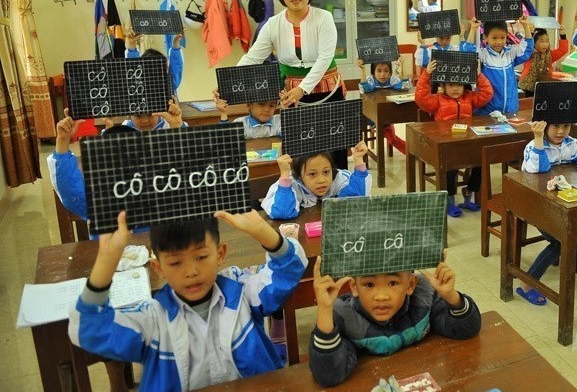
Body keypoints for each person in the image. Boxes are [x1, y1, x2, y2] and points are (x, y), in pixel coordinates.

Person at [68, 210, 307, 390]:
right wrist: (106, 261)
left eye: (201, 257)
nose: (191, 271)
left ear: (220, 254)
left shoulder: (242, 291)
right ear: (158, 268)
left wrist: (263, 231)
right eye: (175, 262)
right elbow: (88, 328)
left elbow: (290, 268)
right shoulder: (153, 320)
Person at [307, 254, 481, 387]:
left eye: (392, 283)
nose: (381, 296)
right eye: (369, 285)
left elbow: (467, 329)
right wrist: (325, 310)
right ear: (354, 287)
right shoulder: (344, 317)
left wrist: (451, 296)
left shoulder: (423, 298)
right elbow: (328, 375)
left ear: (411, 285)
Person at [237, 0, 346, 169]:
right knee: (299, 152)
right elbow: (253, 57)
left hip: (327, 92)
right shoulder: (273, 24)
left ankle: (338, 187)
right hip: (291, 97)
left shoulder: (324, 18)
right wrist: (227, 83)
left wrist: (302, 89)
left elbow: (325, 58)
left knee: (334, 148)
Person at [516, 119, 577, 305]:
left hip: (560, 204)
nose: (561, 131)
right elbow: (537, 169)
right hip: (533, 204)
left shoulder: (572, 144)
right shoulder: (533, 146)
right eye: (556, 126)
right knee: (561, 241)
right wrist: (538, 137)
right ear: (546, 126)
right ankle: (527, 283)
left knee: (571, 232)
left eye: (566, 126)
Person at [415, 59, 493, 217]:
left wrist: (478, 75)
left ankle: (468, 194)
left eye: (459, 84)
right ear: (443, 86)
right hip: (447, 145)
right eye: (451, 85)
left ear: (465, 85)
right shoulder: (437, 100)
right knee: (449, 169)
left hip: (466, 143)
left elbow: (487, 93)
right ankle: (450, 201)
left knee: (481, 163)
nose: (456, 88)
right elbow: (420, 98)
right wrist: (427, 74)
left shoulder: (469, 97)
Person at [261, 143, 371, 220]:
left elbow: (357, 198)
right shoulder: (290, 184)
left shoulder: (339, 178)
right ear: (299, 176)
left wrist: (358, 159)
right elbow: (282, 212)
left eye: (326, 172)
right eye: (312, 174)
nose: (322, 180)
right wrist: (285, 174)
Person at [473, 18, 534, 115]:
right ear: (485, 37)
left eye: (502, 38)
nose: (499, 42)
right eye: (494, 38)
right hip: (487, 112)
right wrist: (473, 28)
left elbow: (527, 48)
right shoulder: (483, 55)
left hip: (510, 111)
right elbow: (467, 51)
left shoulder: (510, 53)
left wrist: (525, 25)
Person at [358, 58, 409, 154]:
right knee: (355, 132)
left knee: (392, 139)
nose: (382, 74)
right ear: (373, 73)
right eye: (379, 71)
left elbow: (405, 86)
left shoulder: (392, 80)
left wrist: (403, 66)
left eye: (386, 71)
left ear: (390, 73)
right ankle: (358, 153)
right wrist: (363, 69)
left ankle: (412, 153)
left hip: (386, 117)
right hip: (369, 116)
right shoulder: (371, 80)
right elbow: (365, 88)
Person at [125, 33, 184, 98]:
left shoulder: (169, 82)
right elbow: (176, 67)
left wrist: (132, 46)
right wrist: (175, 42)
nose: (167, 67)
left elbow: (134, 67)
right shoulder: (169, 83)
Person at [519, 26, 569, 96]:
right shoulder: (529, 53)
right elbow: (526, 46)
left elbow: (563, 50)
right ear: (534, 42)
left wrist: (562, 34)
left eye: (547, 41)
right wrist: (531, 32)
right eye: (541, 41)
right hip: (527, 88)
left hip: (544, 87)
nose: (545, 44)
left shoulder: (550, 55)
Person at [213, 90, 281, 138]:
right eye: (261, 104)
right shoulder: (240, 124)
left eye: (272, 105)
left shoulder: (278, 121)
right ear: (249, 105)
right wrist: (223, 113)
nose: (267, 109)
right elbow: (226, 138)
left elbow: (286, 133)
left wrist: (285, 107)